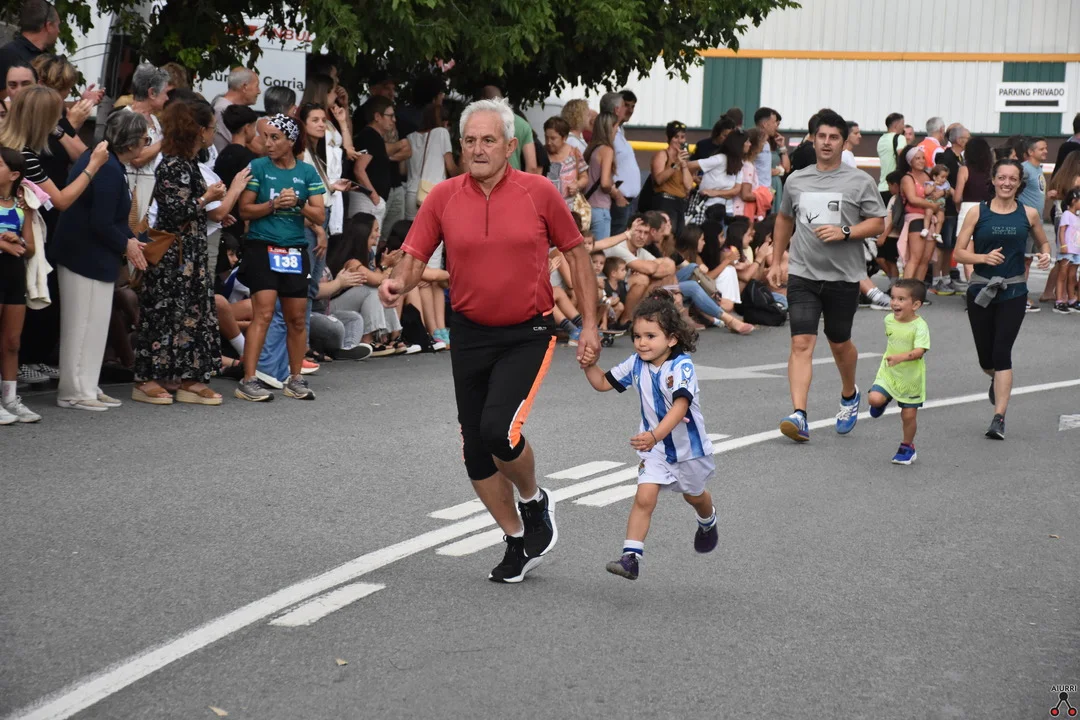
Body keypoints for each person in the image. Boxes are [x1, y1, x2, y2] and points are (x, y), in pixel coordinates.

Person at [380, 97, 600, 584]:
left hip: (528, 331)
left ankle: (533, 499)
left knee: (499, 431)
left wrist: (589, 323)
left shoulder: (538, 192)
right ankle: (516, 538)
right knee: (476, 449)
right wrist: (397, 284)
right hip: (470, 332)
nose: (478, 149)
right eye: (470, 141)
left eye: (488, 140)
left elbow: (576, 256)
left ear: (509, 145)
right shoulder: (443, 197)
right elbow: (414, 258)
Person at [767, 109, 887, 443]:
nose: (827, 142)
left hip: (843, 276)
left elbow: (878, 223)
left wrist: (845, 231)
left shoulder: (859, 181)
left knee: (838, 342)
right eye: (821, 136)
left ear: (843, 142)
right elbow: (784, 219)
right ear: (813, 139)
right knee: (801, 342)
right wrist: (776, 261)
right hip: (803, 273)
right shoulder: (796, 179)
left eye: (834, 137)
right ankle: (799, 414)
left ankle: (849, 394)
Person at [582, 291, 718, 580]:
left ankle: (707, 520)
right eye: (637, 336)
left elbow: (680, 406)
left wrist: (656, 434)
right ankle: (630, 558)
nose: (641, 342)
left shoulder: (681, 366)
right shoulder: (635, 363)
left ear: (672, 339)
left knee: (695, 496)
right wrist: (588, 364)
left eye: (650, 336)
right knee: (644, 497)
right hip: (654, 448)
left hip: (688, 449)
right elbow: (602, 383)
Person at [52, 112, 148, 412]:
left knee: (94, 324)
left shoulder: (108, 162)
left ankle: (88, 384)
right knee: (81, 325)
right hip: (84, 255)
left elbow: (112, 220)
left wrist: (130, 239)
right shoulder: (106, 167)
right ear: (131, 144)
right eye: (145, 140)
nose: (147, 144)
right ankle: (73, 390)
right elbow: (101, 221)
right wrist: (127, 243)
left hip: (94, 255)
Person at [131, 99, 226, 406]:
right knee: (162, 314)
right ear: (197, 130)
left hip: (191, 252)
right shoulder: (173, 165)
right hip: (174, 254)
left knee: (192, 314)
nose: (212, 134)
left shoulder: (188, 163)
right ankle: (146, 379)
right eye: (210, 128)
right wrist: (206, 198)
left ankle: (188, 378)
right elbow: (175, 212)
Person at [953, 158, 1052, 440]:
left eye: (1013, 179)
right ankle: (995, 379)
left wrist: (1045, 254)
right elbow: (959, 252)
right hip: (981, 290)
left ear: (1020, 183)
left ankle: (999, 418)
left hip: (1014, 291)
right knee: (986, 359)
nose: (1007, 183)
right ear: (994, 180)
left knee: (1002, 352)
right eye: (1002, 178)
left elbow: (1044, 242)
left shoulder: (1029, 213)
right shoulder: (977, 212)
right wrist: (982, 258)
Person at [235, 114, 326, 402]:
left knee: (296, 318)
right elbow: (245, 210)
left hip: (295, 249)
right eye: (266, 137)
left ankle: (295, 378)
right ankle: (249, 380)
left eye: (275, 138)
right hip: (262, 246)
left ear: (291, 141)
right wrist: (273, 204)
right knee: (263, 313)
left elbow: (319, 215)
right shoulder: (258, 167)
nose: (268, 143)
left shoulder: (307, 172)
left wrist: (298, 203)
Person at [866, 279, 930, 465]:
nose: (894, 303)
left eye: (901, 299)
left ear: (915, 305)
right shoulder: (888, 320)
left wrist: (901, 357)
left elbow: (920, 351)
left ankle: (907, 447)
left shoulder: (920, 326)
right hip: (889, 372)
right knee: (874, 399)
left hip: (911, 379)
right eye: (893, 297)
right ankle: (883, 399)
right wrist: (893, 360)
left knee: (908, 416)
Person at [0, 148, 40, 423]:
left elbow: (31, 247)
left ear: (14, 175)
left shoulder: (21, 205)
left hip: (14, 274)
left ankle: (10, 399)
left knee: (12, 341)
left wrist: (18, 242)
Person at [122, 63, 170, 226]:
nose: (167, 98)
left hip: (150, 194)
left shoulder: (155, 120)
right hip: (132, 190)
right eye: (165, 93)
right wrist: (166, 140)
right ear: (152, 93)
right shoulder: (127, 117)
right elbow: (136, 158)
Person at [405, 100, 456, 219]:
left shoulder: (410, 137)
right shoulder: (441, 132)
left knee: (409, 229)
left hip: (411, 193)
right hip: (431, 194)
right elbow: (451, 167)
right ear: (442, 121)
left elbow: (403, 170)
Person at [0, 0, 60, 96]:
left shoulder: (48, 58)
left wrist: (82, 102)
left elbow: (54, 101)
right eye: (58, 25)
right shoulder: (8, 54)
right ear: (48, 26)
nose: (58, 31)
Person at [898, 145, 937, 290]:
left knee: (925, 260)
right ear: (910, 161)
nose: (921, 161)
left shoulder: (928, 176)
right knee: (914, 258)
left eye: (923, 158)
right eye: (917, 158)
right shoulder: (907, 178)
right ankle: (904, 292)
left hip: (930, 219)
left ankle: (917, 292)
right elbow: (912, 199)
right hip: (915, 219)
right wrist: (932, 205)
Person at [604, 91, 640, 236]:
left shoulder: (619, 131)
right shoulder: (609, 132)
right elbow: (604, 165)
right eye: (626, 105)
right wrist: (617, 195)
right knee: (615, 243)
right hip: (618, 201)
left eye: (633, 106)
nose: (629, 110)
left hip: (628, 202)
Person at [584, 111, 623, 240]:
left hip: (587, 207)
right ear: (610, 128)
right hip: (600, 209)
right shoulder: (607, 150)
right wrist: (614, 192)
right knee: (601, 250)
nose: (617, 131)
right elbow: (605, 183)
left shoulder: (592, 149)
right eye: (616, 127)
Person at [650, 121, 693, 237]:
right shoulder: (662, 155)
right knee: (666, 237)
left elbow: (689, 186)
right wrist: (675, 164)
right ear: (669, 138)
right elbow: (658, 179)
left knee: (677, 239)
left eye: (682, 137)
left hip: (680, 204)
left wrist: (684, 165)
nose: (680, 140)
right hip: (665, 202)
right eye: (676, 137)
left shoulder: (683, 159)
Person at [543, 115, 588, 209]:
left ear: (564, 138)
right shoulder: (541, 153)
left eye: (553, 138)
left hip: (570, 209)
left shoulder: (574, 153)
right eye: (546, 137)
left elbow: (584, 177)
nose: (548, 142)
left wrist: (577, 185)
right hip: (547, 208)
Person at [212, 67, 260, 153]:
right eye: (256, 86)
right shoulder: (222, 109)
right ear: (245, 87)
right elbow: (257, 148)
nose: (259, 91)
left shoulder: (227, 107)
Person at [1052, 187, 1080, 314]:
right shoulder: (1067, 215)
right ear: (1074, 201)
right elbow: (1062, 231)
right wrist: (1063, 245)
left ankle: (1072, 299)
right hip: (1067, 250)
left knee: (1072, 275)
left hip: (1076, 250)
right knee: (1062, 274)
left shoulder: (1077, 217)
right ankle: (1059, 300)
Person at [877, 113, 905, 203]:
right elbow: (902, 154)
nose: (903, 127)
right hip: (895, 186)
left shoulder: (881, 140)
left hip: (882, 187)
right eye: (902, 123)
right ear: (896, 125)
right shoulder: (900, 138)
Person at [921, 164, 950, 243]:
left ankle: (937, 233)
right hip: (931, 204)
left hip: (940, 206)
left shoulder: (946, 185)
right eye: (942, 177)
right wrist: (934, 186)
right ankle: (925, 228)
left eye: (946, 177)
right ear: (934, 177)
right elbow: (926, 192)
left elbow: (948, 193)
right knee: (928, 213)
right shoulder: (930, 183)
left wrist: (944, 192)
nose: (944, 179)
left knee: (941, 218)